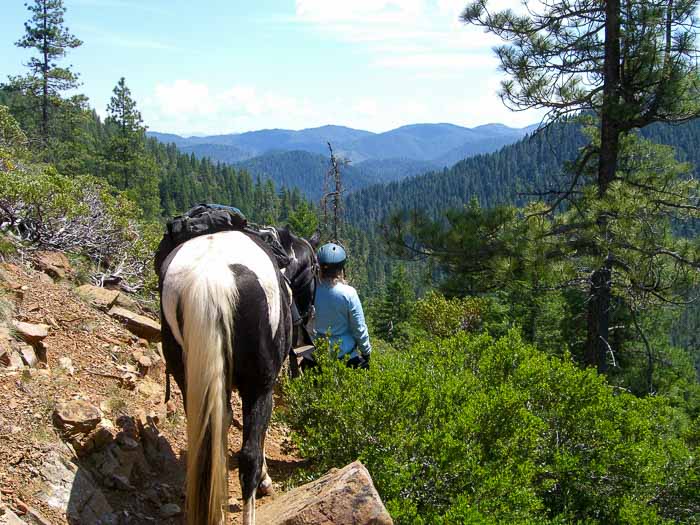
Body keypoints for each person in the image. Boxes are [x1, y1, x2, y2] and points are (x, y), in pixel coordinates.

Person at [312, 242, 371, 369]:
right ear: (341, 268)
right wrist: (366, 352)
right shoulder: (349, 293)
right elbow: (359, 327)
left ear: (320, 267)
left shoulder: (312, 291)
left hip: (318, 355)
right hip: (347, 357)